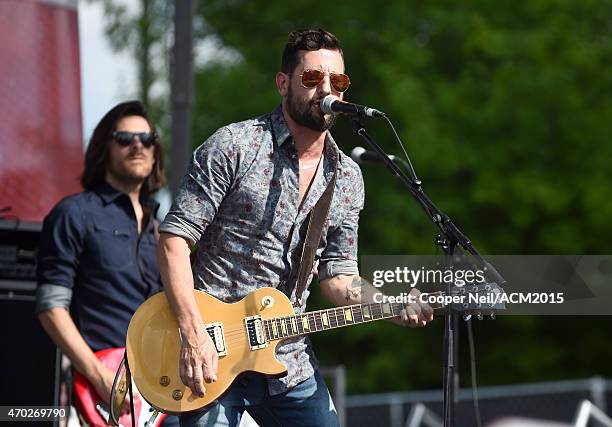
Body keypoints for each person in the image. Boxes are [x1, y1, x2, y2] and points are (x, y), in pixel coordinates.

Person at [158, 29, 433, 426]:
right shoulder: (235, 145)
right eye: (312, 78)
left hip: (287, 361)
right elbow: (173, 242)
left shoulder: (347, 177)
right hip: (211, 353)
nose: (327, 89)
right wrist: (192, 332)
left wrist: (390, 307)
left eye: (337, 81)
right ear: (283, 83)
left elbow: (339, 279)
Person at [35, 101, 175, 423]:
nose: (137, 145)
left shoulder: (163, 228)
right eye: (124, 138)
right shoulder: (74, 213)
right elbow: (50, 307)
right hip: (103, 384)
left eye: (147, 138)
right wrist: (99, 377)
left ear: (156, 150)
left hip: (162, 387)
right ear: (104, 147)